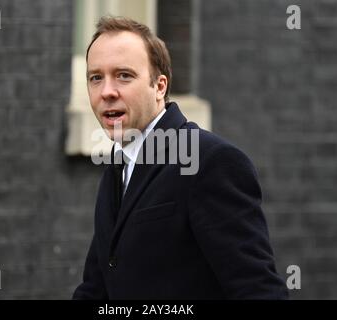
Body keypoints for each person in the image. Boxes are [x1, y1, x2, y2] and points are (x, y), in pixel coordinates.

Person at [72, 16, 288, 299]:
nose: (107, 92)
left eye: (124, 75)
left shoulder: (210, 161)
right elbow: (96, 288)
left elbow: (257, 291)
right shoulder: (117, 166)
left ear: (159, 87)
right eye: (95, 77)